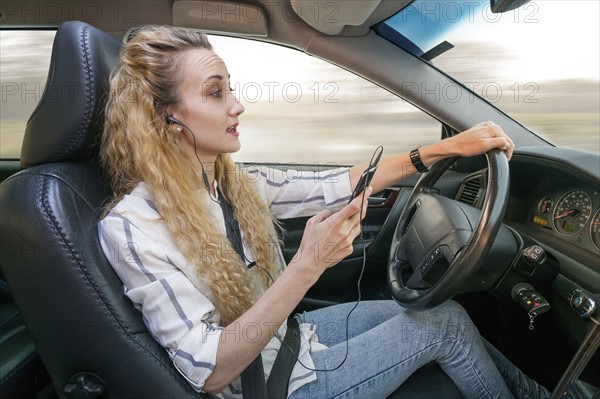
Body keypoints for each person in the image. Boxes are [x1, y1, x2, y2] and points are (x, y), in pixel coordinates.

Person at [98, 26, 550, 399]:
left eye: (230, 88)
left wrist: (444, 149)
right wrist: (309, 264)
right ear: (163, 119)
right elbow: (210, 371)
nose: (237, 104)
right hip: (269, 387)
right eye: (215, 93)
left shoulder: (231, 181)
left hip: (290, 341)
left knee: (444, 307)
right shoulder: (134, 228)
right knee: (444, 326)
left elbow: (335, 184)